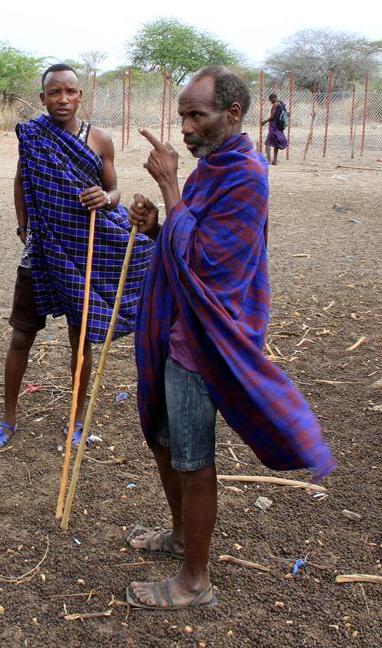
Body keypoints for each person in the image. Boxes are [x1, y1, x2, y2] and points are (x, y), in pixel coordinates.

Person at [124, 66, 335, 609]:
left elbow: (208, 262)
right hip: (177, 328)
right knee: (166, 443)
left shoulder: (245, 174)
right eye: (182, 117)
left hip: (206, 339)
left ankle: (195, 581)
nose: (186, 128)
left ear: (233, 114)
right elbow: (182, 235)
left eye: (197, 115)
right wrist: (154, 224)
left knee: (194, 458)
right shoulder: (209, 167)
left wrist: (169, 186)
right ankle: (177, 538)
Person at [0, 64, 153, 449]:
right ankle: (8, 417)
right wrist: (23, 226)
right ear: (43, 99)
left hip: (84, 250)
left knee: (81, 341)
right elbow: (20, 180)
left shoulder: (99, 140)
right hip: (41, 249)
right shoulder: (32, 137)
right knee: (22, 334)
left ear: (80, 96)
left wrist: (105, 198)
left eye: (70, 92)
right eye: (54, 93)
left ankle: (77, 419)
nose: (63, 99)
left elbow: (114, 191)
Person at [261, 92, 288, 165]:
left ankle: (269, 160)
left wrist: (264, 122)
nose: (270, 102)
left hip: (274, 126)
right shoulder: (281, 104)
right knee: (276, 143)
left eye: (270, 100)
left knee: (267, 142)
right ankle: (275, 160)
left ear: (273, 98)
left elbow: (272, 117)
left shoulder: (275, 104)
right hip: (279, 126)